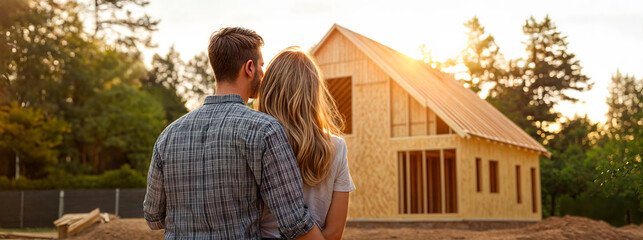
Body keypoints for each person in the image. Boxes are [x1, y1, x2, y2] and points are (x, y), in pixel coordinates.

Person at [143, 27, 324, 240]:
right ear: (249, 68)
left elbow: (153, 217)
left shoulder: (168, 136)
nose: (264, 73)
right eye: (261, 65)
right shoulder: (265, 130)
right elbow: (293, 222)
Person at [257, 47, 356, 240]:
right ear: (314, 91)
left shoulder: (258, 144)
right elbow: (335, 232)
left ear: (269, 91)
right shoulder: (336, 147)